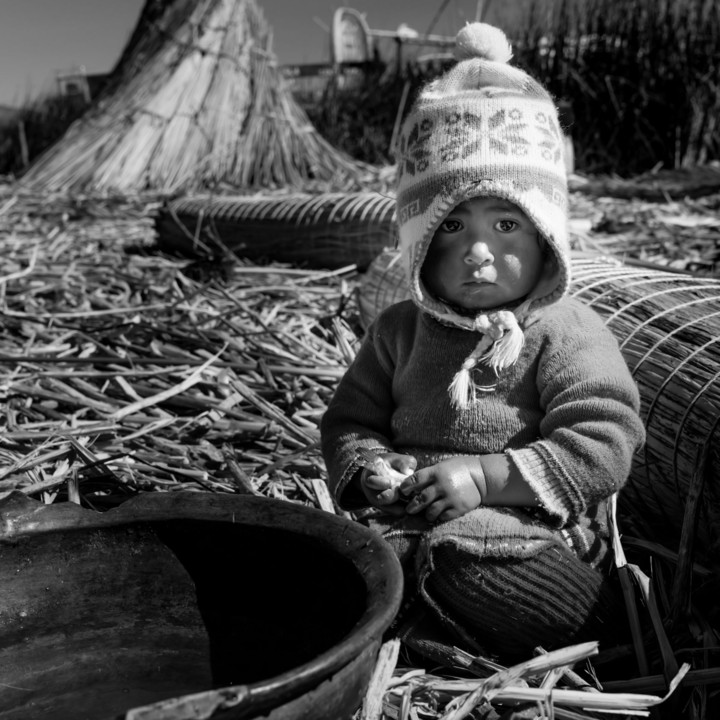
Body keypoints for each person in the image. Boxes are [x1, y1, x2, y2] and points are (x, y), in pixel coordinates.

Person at [320, 22, 645, 659]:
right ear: (418, 240)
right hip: (404, 521)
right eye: (450, 227)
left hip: (520, 528)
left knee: (469, 560)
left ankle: (586, 630)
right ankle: (424, 628)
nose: (477, 253)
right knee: (345, 558)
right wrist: (368, 472)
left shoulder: (564, 329)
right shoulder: (397, 331)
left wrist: (485, 478)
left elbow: (606, 440)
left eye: (505, 224)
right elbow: (349, 421)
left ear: (545, 233)